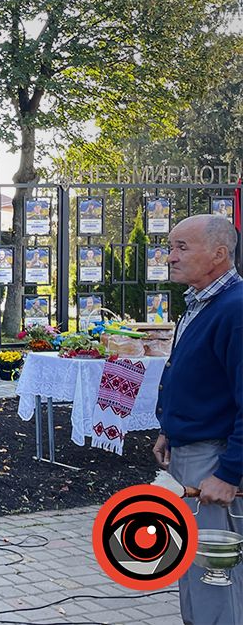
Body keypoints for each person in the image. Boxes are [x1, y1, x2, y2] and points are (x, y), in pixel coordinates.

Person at [152, 215, 243, 623]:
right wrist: (169, 430)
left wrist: (228, 473)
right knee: (192, 565)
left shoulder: (235, 309)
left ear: (219, 254)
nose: (170, 257)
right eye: (170, 247)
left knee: (213, 571)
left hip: (214, 462)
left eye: (181, 247)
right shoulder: (202, 302)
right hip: (192, 453)